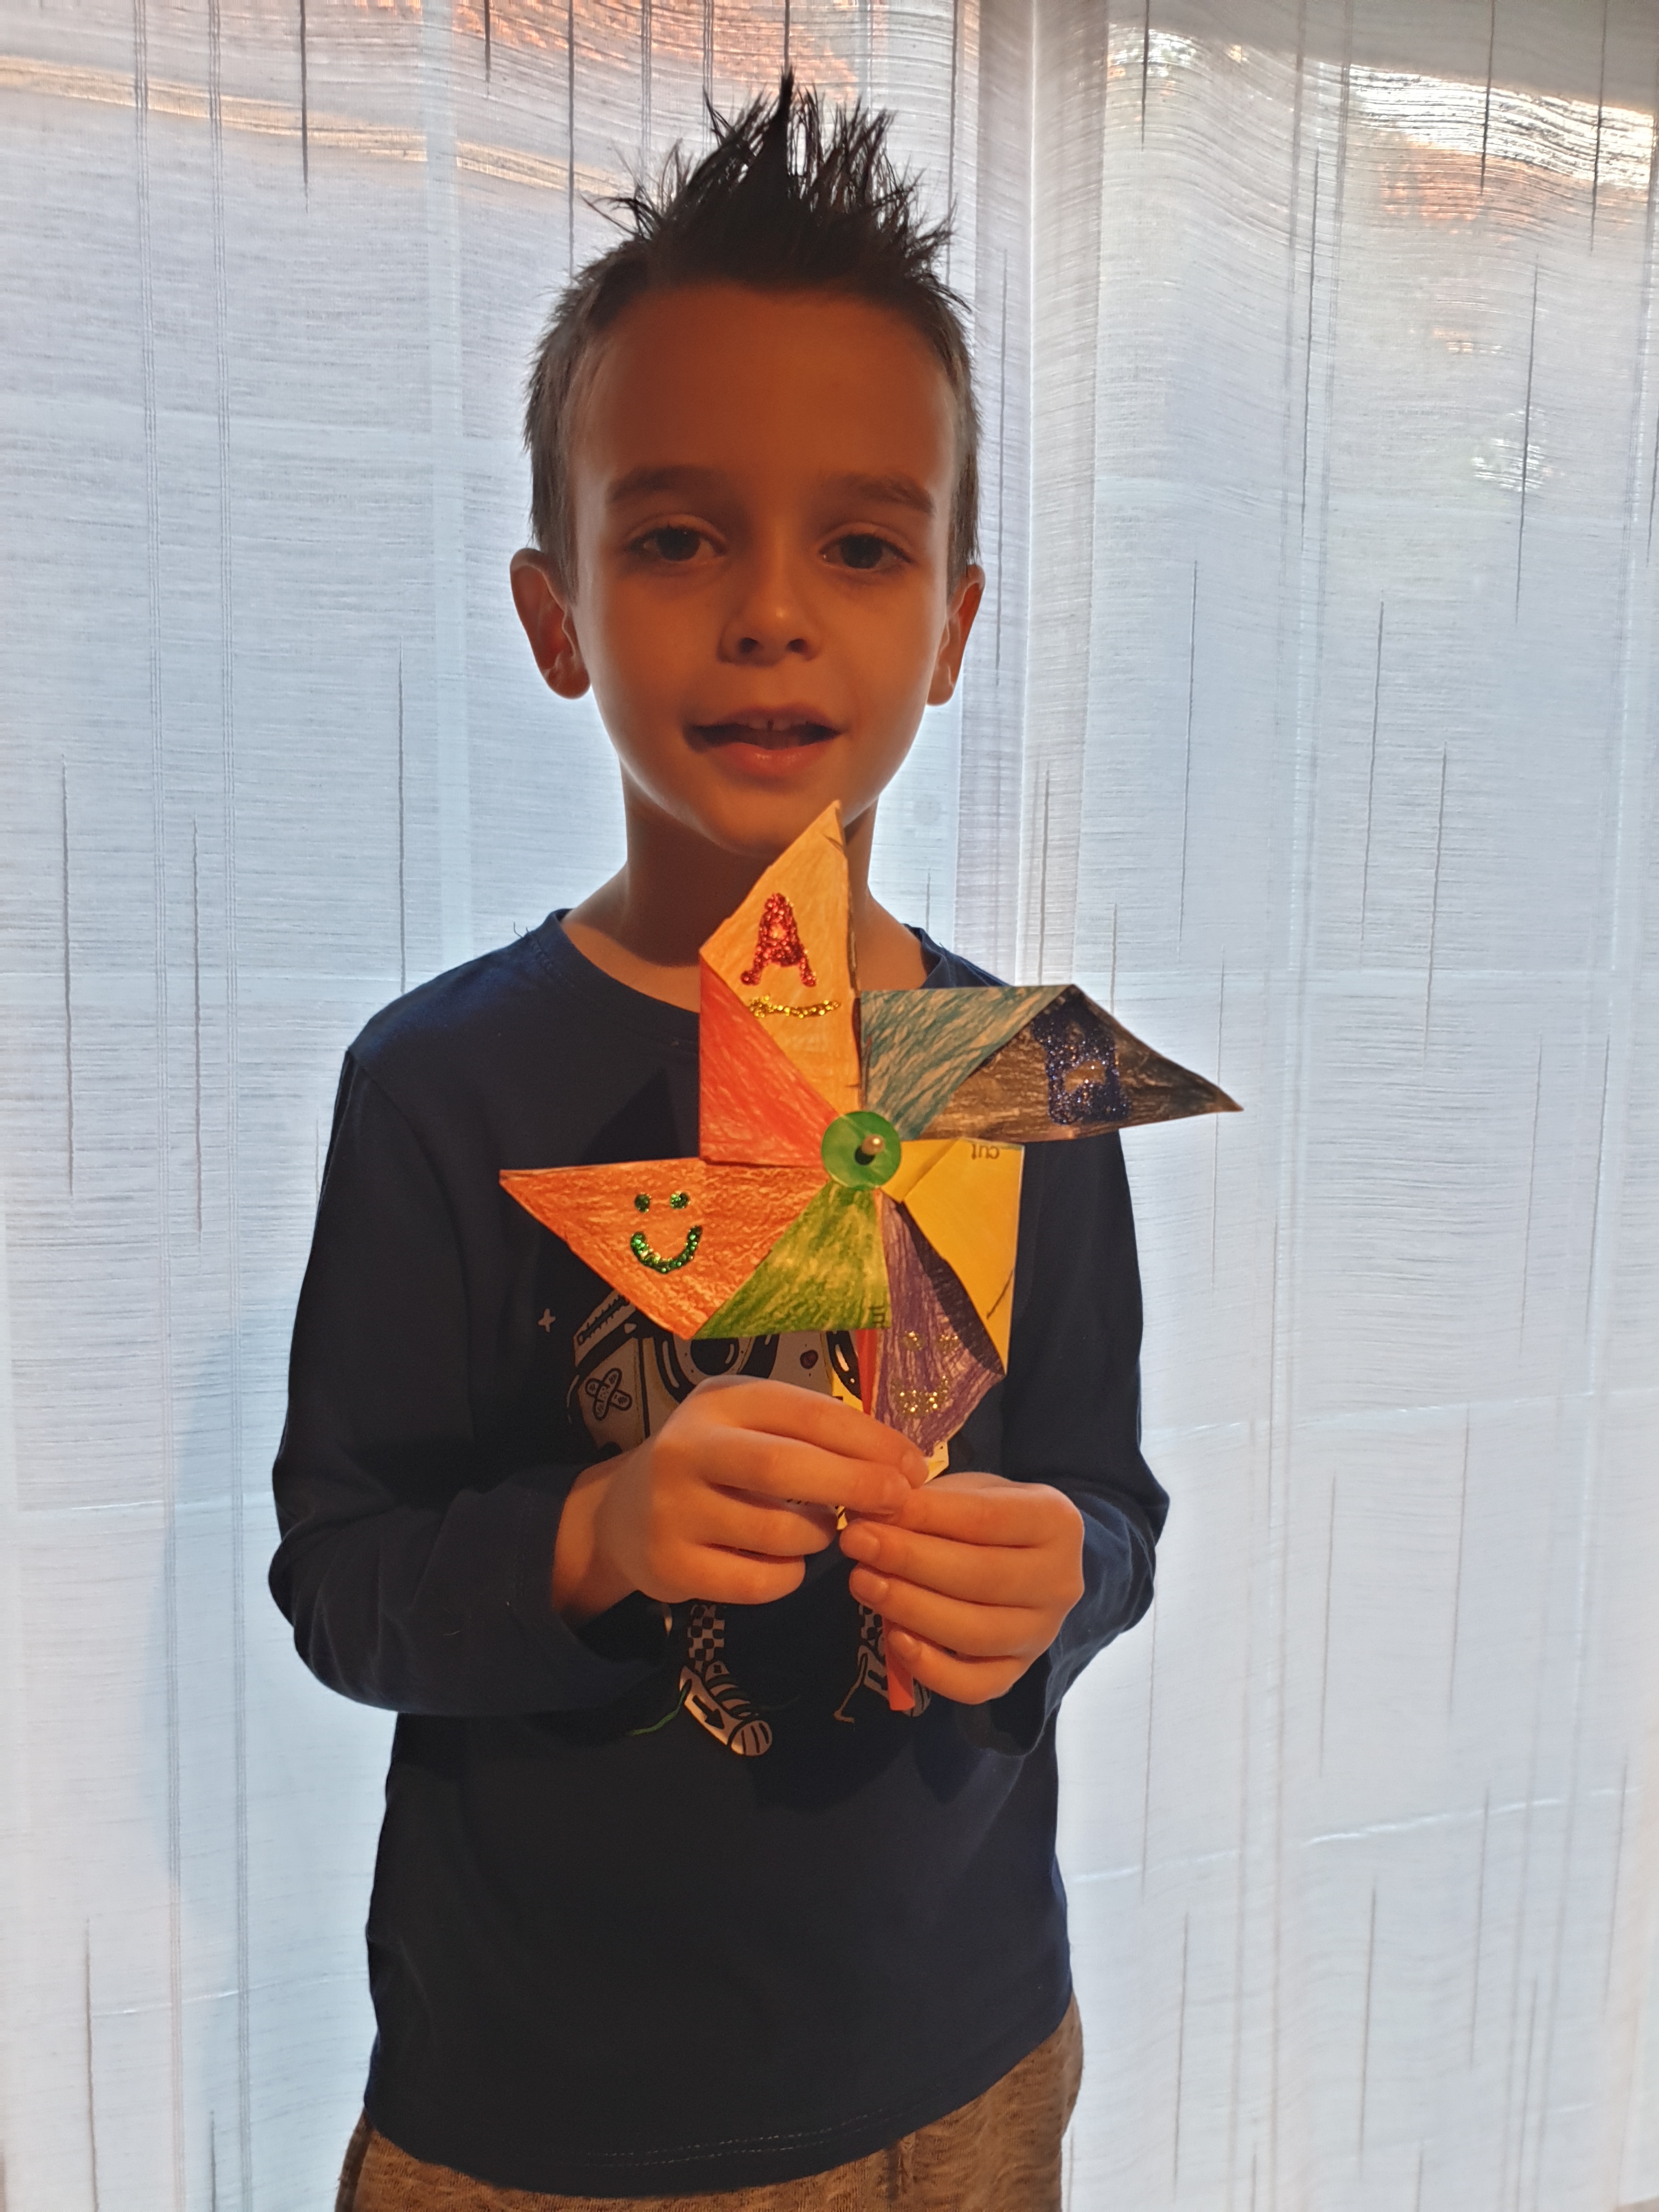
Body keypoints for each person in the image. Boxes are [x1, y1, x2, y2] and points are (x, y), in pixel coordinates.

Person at [271, 75, 1166, 2212]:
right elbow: (343, 1578)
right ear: (557, 610)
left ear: (952, 627)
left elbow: (1109, 1504)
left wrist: (1060, 1578)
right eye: (677, 537)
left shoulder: (1010, 1078)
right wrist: (597, 1534)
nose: (773, 609)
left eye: (862, 544)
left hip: (963, 2056)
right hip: (547, 2111)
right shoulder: (442, 1089)